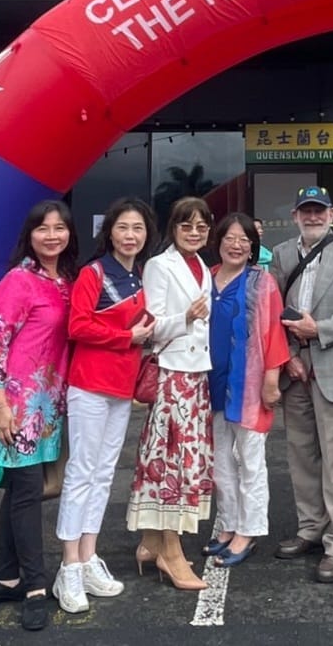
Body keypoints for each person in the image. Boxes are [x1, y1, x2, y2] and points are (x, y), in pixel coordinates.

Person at [0, 199, 78, 632]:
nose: (52, 236)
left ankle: (5, 577)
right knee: (28, 491)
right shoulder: (18, 281)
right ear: (29, 235)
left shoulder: (65, 282)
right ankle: (35, 586)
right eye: (43, 228)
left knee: (21, 489)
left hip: (47, 405)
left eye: (59, 228)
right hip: (15, 405)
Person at [52, 198, 157, 614]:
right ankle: (69, 566)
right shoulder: (93, 273)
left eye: (138, 228)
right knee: (81, 473)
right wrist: (126, 338)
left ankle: (89, 555)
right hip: (90, 385)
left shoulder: (143, 276)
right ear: (109, 232)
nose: (131, 235)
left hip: (121, 388)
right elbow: (77, 325)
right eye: (123, 227)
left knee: (103, 475)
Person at [270, 186, 333, 583]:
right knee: (301, 455)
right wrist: (289, 355)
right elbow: (272, 312)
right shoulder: (281, 254)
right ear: (295, 216)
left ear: (331, 214)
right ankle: (311, 527)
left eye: (319, 211)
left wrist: (320, 330)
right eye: (305, 211)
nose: (312, 217)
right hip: (295, 368)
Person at [126, 196, 214, 591]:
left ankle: (150, 542)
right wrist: (186, 317)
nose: (194, 233)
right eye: (186, 225)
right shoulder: (160, 266)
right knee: (171, 462)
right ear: (173, 228)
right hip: (172, 373)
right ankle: (171, 552)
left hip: (196, 375)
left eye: (201, 226)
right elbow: (151, 325)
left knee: (182, 457)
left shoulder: (202, 267)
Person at [205, 213, 289, 568]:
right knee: (220, 462)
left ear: (253, 247)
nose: (237, 245)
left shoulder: (261, 282)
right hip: (210, 383)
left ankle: (249, 531)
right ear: (219, 241)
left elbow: (274, 333)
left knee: (250, 461)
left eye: (245, 240)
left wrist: (271, 380)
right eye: (230, 238)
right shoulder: (205, 277)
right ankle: (227, 524)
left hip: (249, 385)